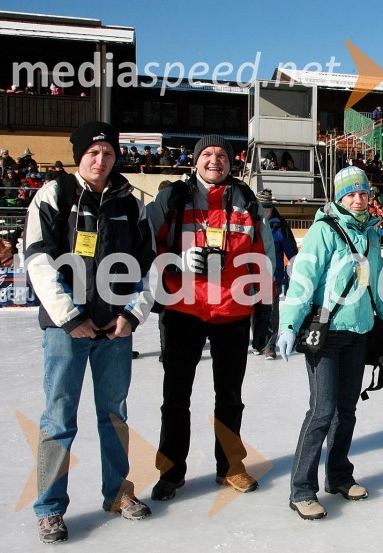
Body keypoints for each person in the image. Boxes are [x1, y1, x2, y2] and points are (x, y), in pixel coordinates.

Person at [24, 121, 157, 543]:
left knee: (114, 415)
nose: (101, 160)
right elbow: (38, 261)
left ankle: (117, 492)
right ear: (79, 155)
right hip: (68, 331)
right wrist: (69, 316)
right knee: (59, 417)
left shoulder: (129, 202)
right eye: (93, 153)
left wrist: (132, 316)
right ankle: (49, 508)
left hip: (115, 332)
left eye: (109, 153)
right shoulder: (55, 195)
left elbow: (149, 265)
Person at [146, 135, 275, 502]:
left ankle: (230, 466)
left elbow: (263, 255)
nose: (214, 159)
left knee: (230, 397)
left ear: (231, 162)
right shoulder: (170, 198)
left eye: (221, 154)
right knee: (175, 397)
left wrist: (266, 308)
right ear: (195, 160)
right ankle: (171, 472)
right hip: (184, 310)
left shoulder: (246, 201)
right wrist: (175, 261)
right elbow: (146, 247)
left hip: (232, 312)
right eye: (207, 154)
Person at [277, 166, 383, 520]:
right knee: (321, 410)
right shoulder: (323, 230)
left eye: (363, 193)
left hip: (358, 334)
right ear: (339, 197)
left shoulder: (372, 235)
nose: (358, 199)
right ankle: (301, 489)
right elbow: (303, 280)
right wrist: (287, 324)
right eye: (350, 194)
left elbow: (377, 288)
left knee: (347, 410)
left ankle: (340, 476)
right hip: (326, 334)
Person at [251, 189, 298, 359]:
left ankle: (270, 345)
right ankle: (258, 342)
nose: (265, 212)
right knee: (255, 312)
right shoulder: (250, 222)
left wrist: (295, 265)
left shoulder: (280, 224)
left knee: (271, 312)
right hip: (253, 276)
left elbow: (291, 250)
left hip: (274, 277)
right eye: (262, 208)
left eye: (268, 209)